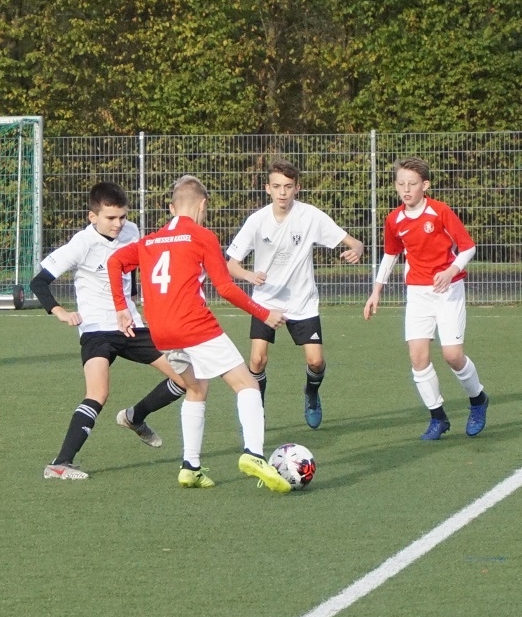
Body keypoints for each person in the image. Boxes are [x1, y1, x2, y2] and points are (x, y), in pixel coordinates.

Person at [107, 174, 291, 493]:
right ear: (203, 205)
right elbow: (226, 288)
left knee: (195, 388)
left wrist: (121, 307)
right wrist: (264, 313)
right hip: (193, 325)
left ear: (171, 208)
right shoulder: (202, 236)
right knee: (246, 384)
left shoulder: (149, 241)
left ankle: (190, 467)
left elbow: (114, 262)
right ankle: (254, 454)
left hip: (162, 332)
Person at [31, 182, 188, 480]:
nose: (118, 224)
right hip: (96, 330)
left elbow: (134, 271)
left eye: (123, 217)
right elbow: (38, 282)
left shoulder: (132, 232)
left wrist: (140, 302)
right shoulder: (81, 244)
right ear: (93, 217)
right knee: (98, 393)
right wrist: (60, 312)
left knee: (186, 378)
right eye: (111, 218)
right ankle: (60, 464)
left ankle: (135, 417)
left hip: (130, 324)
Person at [226, 159, 364, 429]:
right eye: (277, 186)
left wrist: (356, 249)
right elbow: (231, 265)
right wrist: (249, 276)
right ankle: (257, 409)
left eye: (288, 186)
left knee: (316, 361)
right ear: (267, 188)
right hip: (266, 302)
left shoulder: (310, 216)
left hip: (302, 302)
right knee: (257, 359)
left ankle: (311, 394)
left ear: (297, 188)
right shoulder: (257, 221)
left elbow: (354, 242)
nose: (282, 192)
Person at [363, 157, 489, 440]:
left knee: (452, 356)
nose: (406, 189)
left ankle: (478, 399)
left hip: (448, 291)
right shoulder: (394, 220)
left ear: (425, 185)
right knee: (417, 357)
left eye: (412, 184)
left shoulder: (440, 211)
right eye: (401, 184)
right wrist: (376, 291)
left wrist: (451, 270)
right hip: (418, 294)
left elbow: (468, 247)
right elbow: (391, 254)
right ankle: (438, 417)